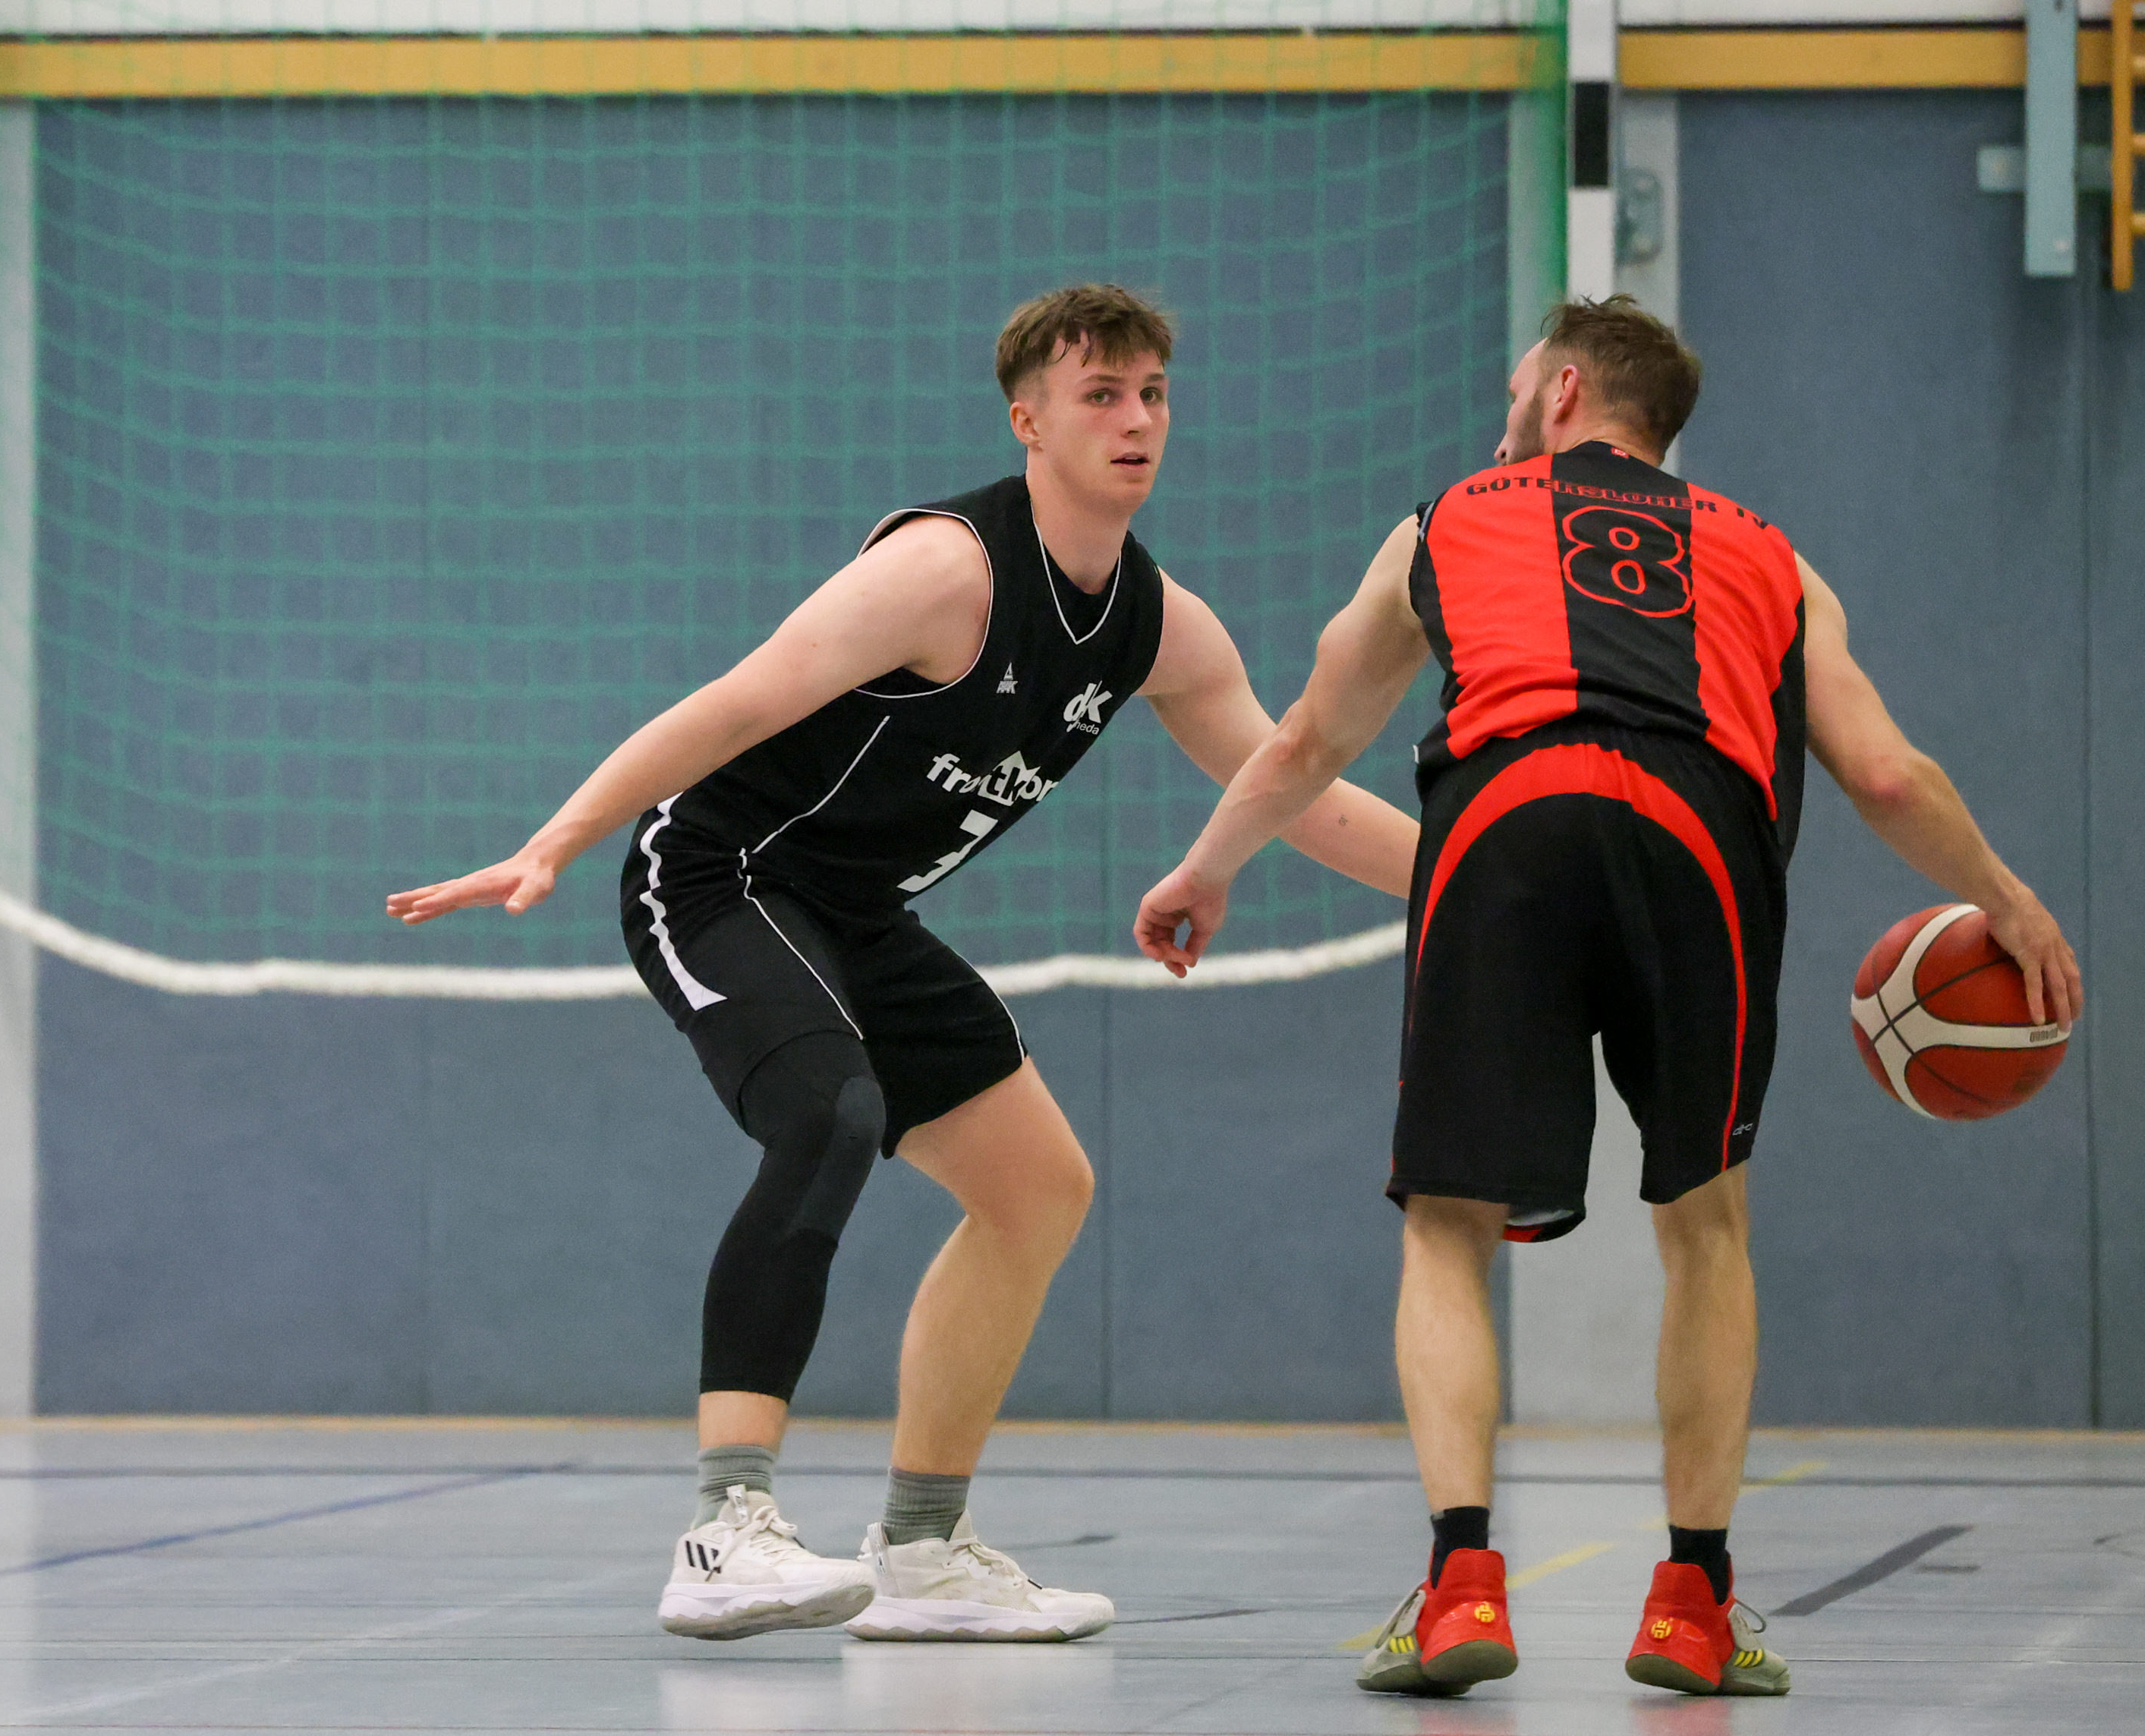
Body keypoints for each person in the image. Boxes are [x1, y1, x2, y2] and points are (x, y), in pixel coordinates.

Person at [390, 285, 1418, 1644]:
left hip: (857, 914)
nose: (1134, 420)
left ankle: (924, 1553)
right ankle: (723, 1530)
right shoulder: (945, 571)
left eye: (1152, 393)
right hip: (719, 873)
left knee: (1037, 1188)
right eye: (1099, 395)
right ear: (1027, 421)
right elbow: (736, 703)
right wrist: (557, 840)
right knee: (829, 1113)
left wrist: (1476, 884)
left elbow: (1291, 788)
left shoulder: (1164, 626)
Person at [1133, 295, 2080, 1700]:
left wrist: (1205, 871)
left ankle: (1459, 1586)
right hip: (1702, 843)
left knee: (1448, 1227)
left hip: (1505, 818)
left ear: (1566, 391)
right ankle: (1691, 1604)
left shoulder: (1442, 521)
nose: (1506, 417)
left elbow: (1305, 740)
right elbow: (1884, 774)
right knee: (1704, 1227)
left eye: (1519, 388)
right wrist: (2006, 897)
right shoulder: (1775, 557)